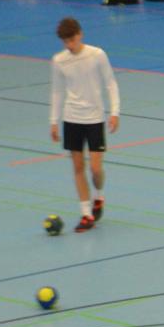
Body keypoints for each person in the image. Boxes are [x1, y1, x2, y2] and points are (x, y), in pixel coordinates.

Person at [49, 17, 121, 232]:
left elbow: (110, 83)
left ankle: (99, 195)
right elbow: (57, 91)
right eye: (65, 42)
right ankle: (86, 214)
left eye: (71, 40)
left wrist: (114, 112)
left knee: (95, 168)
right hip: (72, 119)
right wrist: (54, 121)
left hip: (94, 119)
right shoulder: (59, 60)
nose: (69, 45)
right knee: (78, 167)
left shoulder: (97, 55)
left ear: (80, 35)